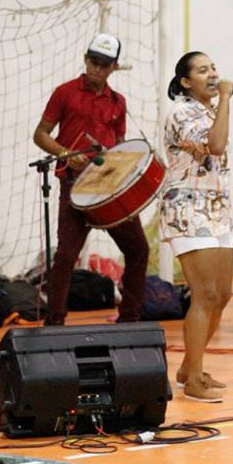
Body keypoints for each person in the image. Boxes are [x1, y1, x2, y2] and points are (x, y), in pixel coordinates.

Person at [32, 34, 149, 327]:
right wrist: (65, 154)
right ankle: (55, 322)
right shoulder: (65, 93)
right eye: (93, 62)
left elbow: (119, 145)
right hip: (73, 185)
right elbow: (41, 134)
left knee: (138, 248)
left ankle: (130, 318)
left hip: (107, 187)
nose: (97, 68)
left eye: (104, 64)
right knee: (66, 255)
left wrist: (118, 163)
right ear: (85, 60)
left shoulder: (118, 102)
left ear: (114, 67)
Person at [160, 51, 233, 402]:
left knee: (222, 295)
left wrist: (222, 104)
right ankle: (193, 382)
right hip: (189, 209)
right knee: (204, 294)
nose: (213, 74)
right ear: (186, 82)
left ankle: (190, 368)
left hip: (217, 209)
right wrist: (227, 100)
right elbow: (216, 146)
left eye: (214, 68)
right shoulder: (182, 112)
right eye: (203, 70)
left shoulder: (210, 110)